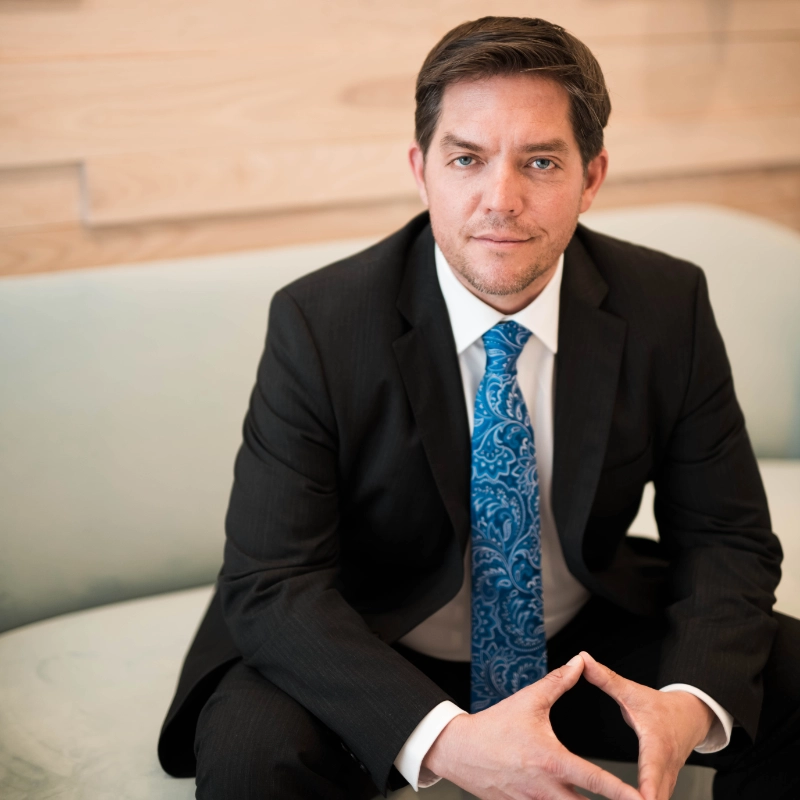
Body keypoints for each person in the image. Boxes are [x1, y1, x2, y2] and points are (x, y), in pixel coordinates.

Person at [157, 16, 799, 800]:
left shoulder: (669, 304)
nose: (502, 199)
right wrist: (450, 741)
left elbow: (726, 536)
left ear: (591, 177)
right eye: (467, 158)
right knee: (256, 754)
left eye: (540, 161)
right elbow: (274, 580)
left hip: (579, 641)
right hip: (374, 635)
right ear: (421, 169)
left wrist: (689, 708)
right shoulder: (320, 323)